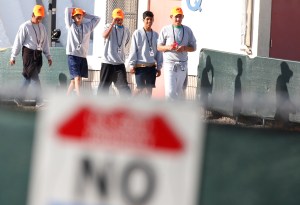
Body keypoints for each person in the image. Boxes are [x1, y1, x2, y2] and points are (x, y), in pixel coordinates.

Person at [9, 5, 52, 107]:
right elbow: (18, 42)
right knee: (35, 79)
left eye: (41, 17)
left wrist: (48, 56)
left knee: (27, 78)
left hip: (38, 55)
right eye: (38, 17)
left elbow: (45, 43)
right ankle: (39, 101)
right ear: (33, 15)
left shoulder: (42, 27)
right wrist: (13, 56)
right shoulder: (25, 26)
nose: (39, 19)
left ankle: (18, 99)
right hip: (28, 55)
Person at [157, 6, 196, 100]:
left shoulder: (187, 30)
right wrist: (168, 47)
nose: (178, 19)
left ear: (183, 17)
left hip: (182, 65)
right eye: (176, 16)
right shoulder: (165, 29)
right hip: (170, 64)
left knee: (179, 92)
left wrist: (184, 48)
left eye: (180, 16)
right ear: (171, 17)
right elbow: (158, 47)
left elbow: (194, 48)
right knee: (170, 92)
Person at [65, 7, 100, 96]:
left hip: (82, 56)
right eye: (76, 15)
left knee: (75, 80)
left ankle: (66, 97)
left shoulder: (87, 26)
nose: (78, 16)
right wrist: (74, 9)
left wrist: (86, 14)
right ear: (73, 17)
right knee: (76, 77)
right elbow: (67, 10)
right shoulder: (71, 25)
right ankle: (79, 97)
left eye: (80, 15)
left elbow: (97, 19)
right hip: (72, 55)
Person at [97, 8, 131, 97]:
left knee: (124, 88)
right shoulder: (108, 26)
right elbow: (104, 35)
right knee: (103, 88)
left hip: (119, 64)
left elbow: (126, 42)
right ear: (113, 18)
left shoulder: (126, 30)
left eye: (120, 18)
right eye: (117, 18)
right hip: (107, 62)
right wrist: (112, 24)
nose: (119, 20)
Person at [128, 11, 163, 97]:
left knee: (149, 90)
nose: (149, 21)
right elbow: (133, 50)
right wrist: (132, 65)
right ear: (143, 20)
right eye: (147, 19)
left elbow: (159, 52)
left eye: (151, 19)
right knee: (140, 88)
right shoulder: (137, 33)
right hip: (140, 66)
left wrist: (159, 67)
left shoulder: (156, 35)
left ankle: (146, 108)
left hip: (151, 67)